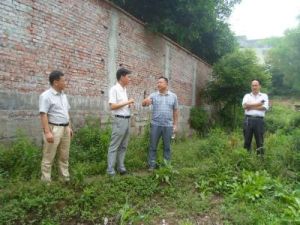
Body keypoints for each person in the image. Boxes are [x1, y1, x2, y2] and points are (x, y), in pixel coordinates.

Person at [39, 70, 73, 183]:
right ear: (55, 82)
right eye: (63, 80)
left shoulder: (63, 95)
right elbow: (43, 114)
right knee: (49, 156)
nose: (65, 83)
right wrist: (47, 132)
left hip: (65, 128)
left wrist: (69, 127)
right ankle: (46, 182)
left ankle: (64, 179)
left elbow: (67, 112)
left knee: (64, 156)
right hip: (54, 129)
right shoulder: (45, 96)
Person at [142, 76, 178, 170]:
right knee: (153, 146)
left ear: (166, 84)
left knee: (167, 147)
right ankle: (152, 165)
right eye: (157, 82)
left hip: (168, 126)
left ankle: (166, 165)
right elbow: (144, 104)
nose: (158, 84)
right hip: (155, 125)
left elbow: (175, 111)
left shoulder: (173, 96)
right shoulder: (153, 95)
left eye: (160, 82)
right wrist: (145, 102)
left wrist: (175, 125)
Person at [107, 68, 134, 176]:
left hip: (127, 119)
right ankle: (110, 170)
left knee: (123, 145)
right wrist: (128, 101)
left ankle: (121, 167)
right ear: (122, 77)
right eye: (128, 76)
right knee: (114, 145)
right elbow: (112, 106)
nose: (129, 79)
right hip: (119, 120)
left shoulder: (124, 89)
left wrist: (128, 105)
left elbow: (121, 105)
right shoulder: (114, 89)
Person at [242, 79, 269, 155]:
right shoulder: (247, 96)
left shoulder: (264, 96)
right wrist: (259, 104)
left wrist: (250, 106)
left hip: (259, 121)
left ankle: (260, 161)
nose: (254, 87)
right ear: (251, 86)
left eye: (256, 85)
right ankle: (246, 159)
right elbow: (244, 106)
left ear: (259, 86)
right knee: (247, 141)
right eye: (253, 85)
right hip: (248, 120)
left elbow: (264, 107)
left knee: (260, 142)